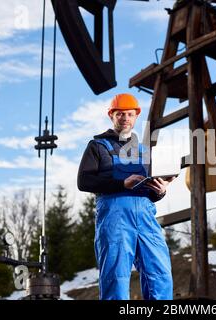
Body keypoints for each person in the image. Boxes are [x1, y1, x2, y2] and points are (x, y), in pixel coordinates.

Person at [77, 93, 175, 300]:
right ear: (111, 115)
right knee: (116, 278)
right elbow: (84, 182)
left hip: (147, 219)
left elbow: (150, 192)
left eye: (130, 114)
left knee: (160, 274)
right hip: (115, 219)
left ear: (136, 116)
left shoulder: (144, 151)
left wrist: (161, 190)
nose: (125, 118)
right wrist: (122, 183)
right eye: (120, 114)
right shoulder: (97, 146)